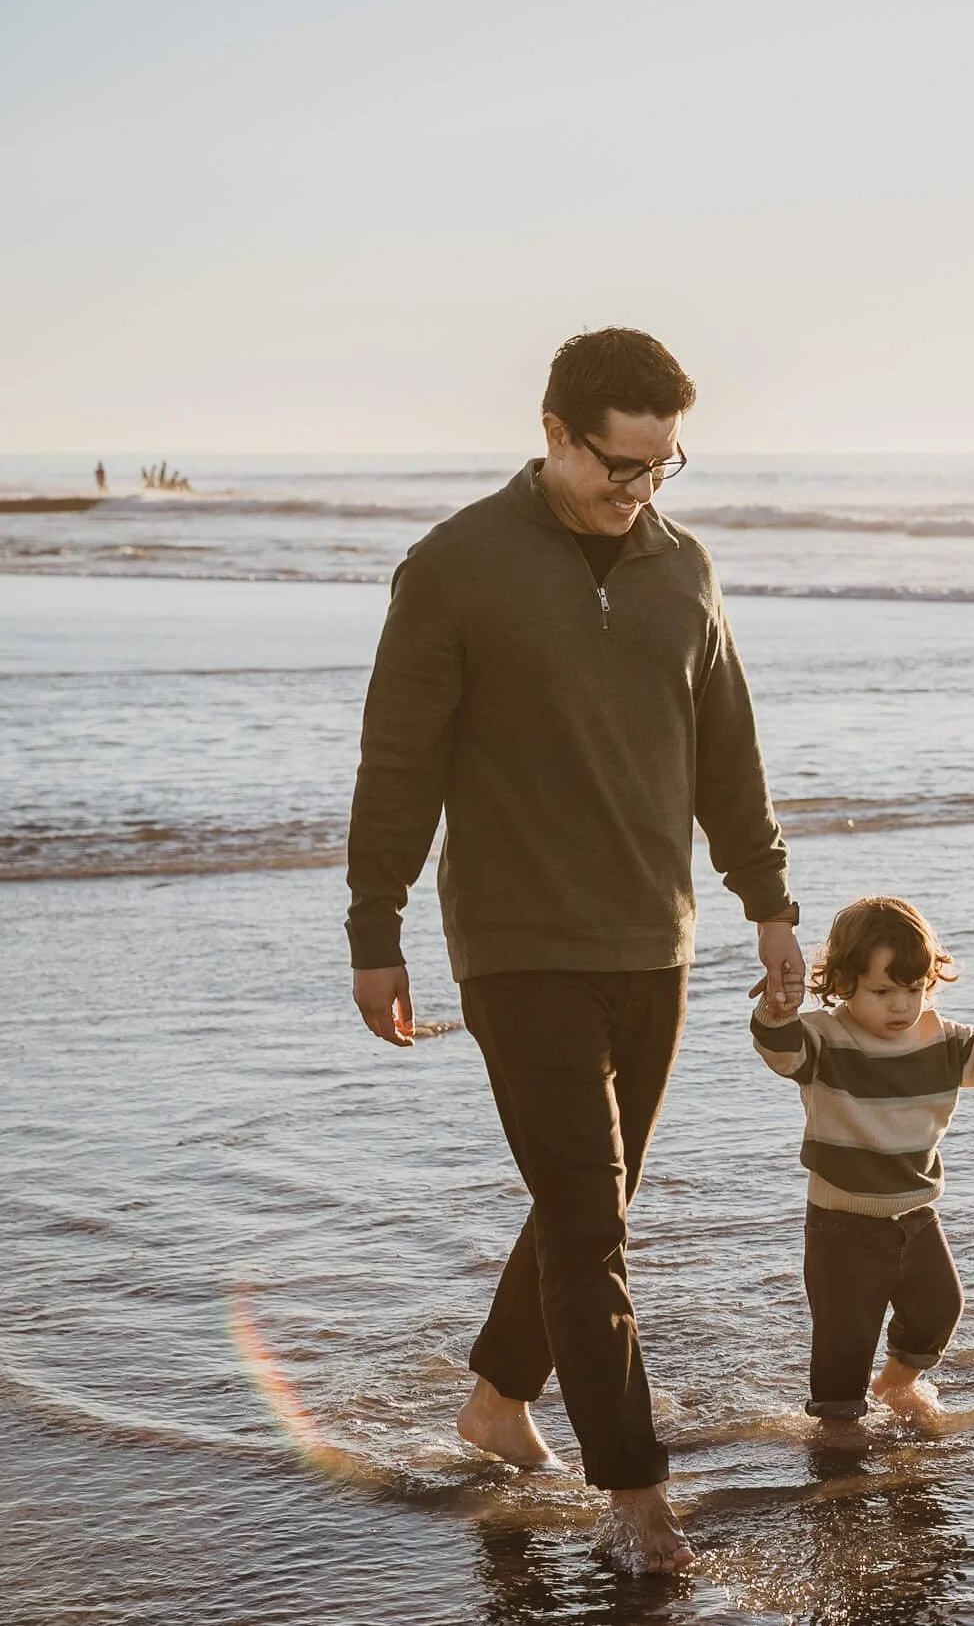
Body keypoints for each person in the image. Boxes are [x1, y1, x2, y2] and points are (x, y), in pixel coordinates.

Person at [344, 327, 805, 1573]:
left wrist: (768, 900)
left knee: (585, 1204)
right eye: (618, 463)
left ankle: (496, 1399)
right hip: (515, 941)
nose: (637, 488)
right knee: (591, 1217)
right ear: (553, 432)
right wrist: (373, 927)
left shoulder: (683, 568)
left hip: (654, 938)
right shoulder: (454, 567)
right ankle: (636, 1493)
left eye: (662, 465)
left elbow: (729, 750)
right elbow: (399, 763)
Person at [750, 897, 974, 1441]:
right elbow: (780, 1051)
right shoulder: (823, 1039)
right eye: (882, 991)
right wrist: (776, 1012)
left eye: (913, 989)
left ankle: (896, 1383)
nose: (900, 1005)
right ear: (842, 982)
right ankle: (837, 1425)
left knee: (940, 1307)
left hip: (915, 1212)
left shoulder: (941, 1039)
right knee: (843, 1337)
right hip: (841, 1224)